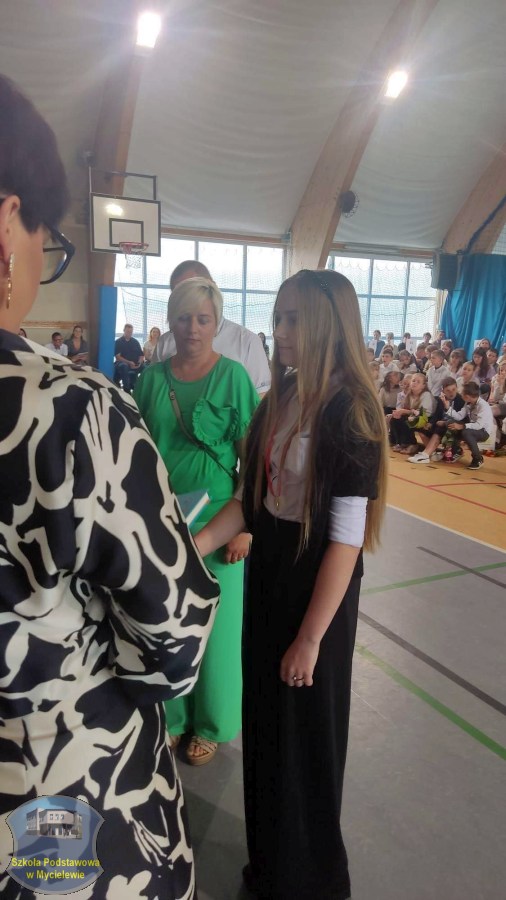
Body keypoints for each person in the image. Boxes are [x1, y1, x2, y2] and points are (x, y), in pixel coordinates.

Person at [0, 74, 220, 900]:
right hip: (56, 799)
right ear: (6, 225)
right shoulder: (68, 408)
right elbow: (173, 642)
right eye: (46, 242)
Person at [194, 268, 387, 900]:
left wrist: (309, 640)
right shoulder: (279, 398)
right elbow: (249, 501)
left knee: (306, 747)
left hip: (315, 596)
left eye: (294, 319)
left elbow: (345, 541)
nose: (278, 331)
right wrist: (192, 547)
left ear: (330, 323)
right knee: (267, 733)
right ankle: (271, 870)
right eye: (277, 317)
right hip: (271, 577)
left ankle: (313, 884)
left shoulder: (349, 412)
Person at [135, 277, 259, 766]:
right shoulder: (151, 380)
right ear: (171, 321)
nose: (193, 328)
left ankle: (213, 724)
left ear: (216, 323)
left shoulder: (234, 378)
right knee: (168, 622)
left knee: (219, 631)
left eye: (203, 319)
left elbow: (254, 461)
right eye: (184, 318)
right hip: (164, 519)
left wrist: (246, 527)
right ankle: (174, 717)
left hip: (222, 519)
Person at [153, 260, 271, 395]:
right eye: (179, 294)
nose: (187, 299)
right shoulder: (164, 343)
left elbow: (261, 400)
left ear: (212, 288)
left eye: (194, 290)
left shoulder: (247, 342)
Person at [408, 376, 466, 463]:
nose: (451, 393)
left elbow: (461, 418)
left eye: (454, 389)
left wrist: (444, 422)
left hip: (453, 426)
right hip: (440, 423)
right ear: (443, 391)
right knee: (421, 426)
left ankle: (425, 454)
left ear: (457, 388)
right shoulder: (440, 399)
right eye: (448, 390)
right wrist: (430, 423)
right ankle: (432, 452)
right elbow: (437, 414)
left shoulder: (461, 400)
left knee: (440, 428)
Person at [446, 382, 495, 469]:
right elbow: (460, 416)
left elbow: (479, 425)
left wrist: (462, 426)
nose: (460, 394)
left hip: (483, 432)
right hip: (472, 428)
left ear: (467, 396)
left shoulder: (483, 406)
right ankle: (457, 451)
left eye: (462, 393)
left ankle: (478, 459)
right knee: (450, 423)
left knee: (466, 432)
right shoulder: (468, 403)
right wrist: (448, 408)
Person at [390, 371, 435, 454]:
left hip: (426, 419)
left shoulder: (426, 395)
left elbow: (422, 413)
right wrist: (399, 412)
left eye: (418, 382)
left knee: (408, 420)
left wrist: (403, 411)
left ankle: (412, 444)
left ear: (423, 385)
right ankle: (401, 443)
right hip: (413, 415)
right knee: (395, 419)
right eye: (413, 381)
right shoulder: (409, 394)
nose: (415, 383)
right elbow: (408, 409)